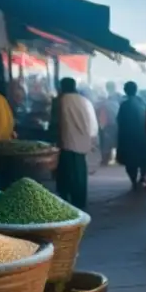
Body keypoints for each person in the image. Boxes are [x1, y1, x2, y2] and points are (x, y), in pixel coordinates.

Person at [55, 77, 98, 210]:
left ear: (62, 87)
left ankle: (67, 203)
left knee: (66, 176)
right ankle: (80, 204)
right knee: (80, 176)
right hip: (82, 145)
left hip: (66, 144)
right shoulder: (84, 101)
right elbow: (93, 125)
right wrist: (90, 139)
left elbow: (55, 124)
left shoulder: (61, 101)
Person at [116, 81, 146, 187]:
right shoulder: (142, 102)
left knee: (130, 162)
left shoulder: (124, 105)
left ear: (125, 91)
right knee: (143, 159)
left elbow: (120, 122)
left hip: (129, 138)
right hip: (143, 137)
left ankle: (134, 181)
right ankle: (142, 177)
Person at [97, 81, 121, 165]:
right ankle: (117, 159)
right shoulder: (119, 97)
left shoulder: (106, 99)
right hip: (117, 123)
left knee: (107, 143)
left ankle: (105, 159)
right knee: (116, 142)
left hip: (108, 123)